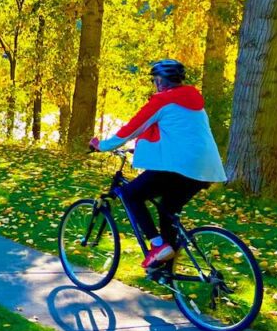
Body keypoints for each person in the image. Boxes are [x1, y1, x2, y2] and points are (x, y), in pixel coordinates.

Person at [89, 59, 226, 269]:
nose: (155, 84)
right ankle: (167, 271)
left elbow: (132, 128)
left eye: (155, 80)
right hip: (207, 169)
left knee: (130, 194)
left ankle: (157, 245)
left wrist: (103, 146)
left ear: (161, 81)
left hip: (181, 167)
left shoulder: (163, 100)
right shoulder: (194, 102)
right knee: (167, 210)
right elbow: (182, 137)